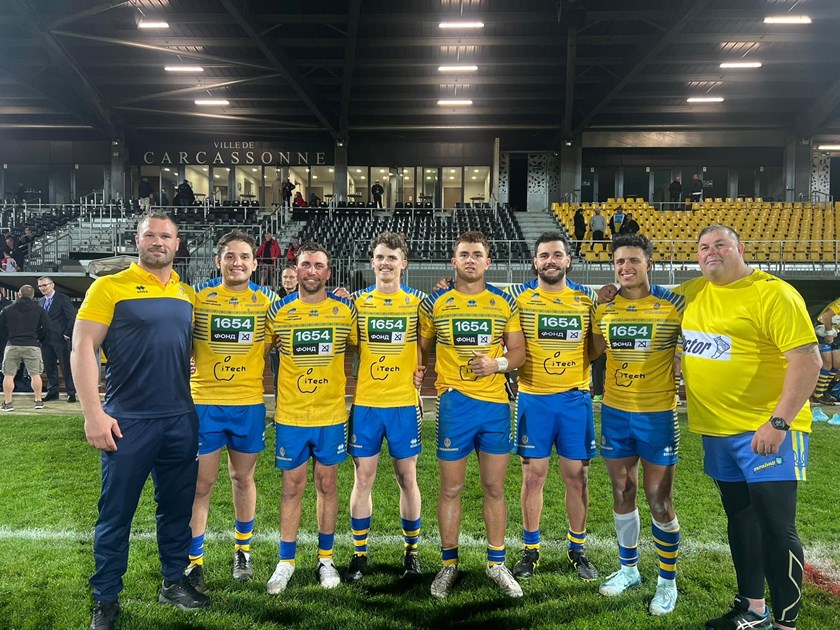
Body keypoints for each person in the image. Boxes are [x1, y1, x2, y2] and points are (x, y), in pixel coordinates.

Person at [675, 225, 818, 630]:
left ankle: (786, 624)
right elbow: (646, 298)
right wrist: (611, 293)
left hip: (767, 431)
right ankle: (754, 610)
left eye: (720, 245)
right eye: (703, 247)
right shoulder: (692, 292)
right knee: (741, 519)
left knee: (776, 526)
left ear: (740, 248)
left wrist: (779, 422)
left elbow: (808, 360)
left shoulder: (773, 294)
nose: (711, 252)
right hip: (718, 432)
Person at [72, 212, 209, 630]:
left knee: (177, 510)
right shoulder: (108, 287)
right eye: (150, 235)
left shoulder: (187, 293)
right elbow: (82, 347)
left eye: (166, 236)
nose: (158, 242)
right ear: (137, 240)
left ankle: (173, 581)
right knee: (116, 514)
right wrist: (93, 414)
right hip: (128, 421)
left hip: (180, 419)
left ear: (177, 244)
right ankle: (105, 598)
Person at [415, 230, 526, 599]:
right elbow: (421, 348)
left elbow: (519, 353)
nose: (471, 260)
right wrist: (417, 376)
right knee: (451, 488)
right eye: (464, 254)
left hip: (494, 407)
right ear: (454, 261)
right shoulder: (436, 303)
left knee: (494, 487)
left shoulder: (504, 302)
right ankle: (449, 565)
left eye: (477, 254)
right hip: (455, 406)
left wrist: (497, 364)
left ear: (488, 262)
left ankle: (496, 564)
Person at [592, 234, 684, 616]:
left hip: (657, 416)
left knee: (659, 501)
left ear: (649, 263)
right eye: (619, 262)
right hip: (615, 413)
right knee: (622, 491)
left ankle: (667, 582)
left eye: (633, 260)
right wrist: (595, 303)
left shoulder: (675, 305)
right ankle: (628, 569)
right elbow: (591, 351)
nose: (626, 267)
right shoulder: (605, 307)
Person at [184, 230, 277, 594]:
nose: (237, 263)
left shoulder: (268, 300)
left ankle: (243, 551)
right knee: (201, 485)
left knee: (243, 478)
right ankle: (194, 561)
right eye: (230, 256)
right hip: (205, 402)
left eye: (244, 257)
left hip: (248, 404)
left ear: (255, 264)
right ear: (218, 261)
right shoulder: (198, 297)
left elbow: (298, 320)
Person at [505, 233, 600, 584]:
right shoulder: (518, 297)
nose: (551, 261)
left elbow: (595, 348)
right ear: (535, 262)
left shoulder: (586, 298)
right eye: (544, 255)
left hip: (574, 400)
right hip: (534, 399)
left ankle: (578, 548)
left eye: (557, 255)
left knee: (577, 477)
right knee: (533, 476)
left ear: (568, 260)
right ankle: (531, 550)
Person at [265, 242, 358, 593]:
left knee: (327, 485)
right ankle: (285, 561)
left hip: (330, 415)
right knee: (292, 487)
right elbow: (256, 350)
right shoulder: (279, 311)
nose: (312, 271)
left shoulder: (343, 312)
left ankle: (326, 559)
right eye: (306, 264)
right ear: (296, 270)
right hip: (291, 415)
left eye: (319, 265)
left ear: (328, 272)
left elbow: (367, 345)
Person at [344, 232, 425, 584]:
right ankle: (359, 554)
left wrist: (420, 373)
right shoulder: (357, 303)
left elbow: (429, 342)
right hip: (366, 405)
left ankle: (412, 553)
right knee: (363, 478)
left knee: (408, 478)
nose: (386, 263)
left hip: (403, 405)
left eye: (392, 257)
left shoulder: (418, 303)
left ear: (403, 263)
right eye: (380, 257)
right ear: (372, 262)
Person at [0, 285, 50, 411]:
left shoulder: (7, 309)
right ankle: (38, 401)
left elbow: (1, 328)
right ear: (33, 295)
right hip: (32, 345)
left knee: (8, 375)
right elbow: (48, 326)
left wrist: (9, 337)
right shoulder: (39, 309)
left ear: (18, 294)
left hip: (12, 345)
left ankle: (8, 403)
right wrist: (38, 337)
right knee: (35, 374)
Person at [37, 276, 77, 403]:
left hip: (61, 339)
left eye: (44, 285)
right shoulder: (40, 301)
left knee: (66, 367)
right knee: (49, 367)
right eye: (40, 286)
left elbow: (72, 317)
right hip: (45, 340)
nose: (42, 288)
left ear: (52, 285)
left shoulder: (63, 299)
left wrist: (67, 334)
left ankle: (71, 392)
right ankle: (52, 392)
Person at [268, 265, 298, 401]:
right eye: (285, 277)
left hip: (297, 347)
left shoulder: (304, 298)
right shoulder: (273, 299)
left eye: (292, 277)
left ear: (298, 280)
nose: (288, 280)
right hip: (277, 348)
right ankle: (278, 407)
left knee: (296, 380)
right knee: (277, 380)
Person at [811, 297, 840, 404]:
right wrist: (829, 333)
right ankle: (818, 394)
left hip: (835, 333)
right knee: (827, 364)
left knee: (837, 364)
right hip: (822, 331)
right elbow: (826, 316)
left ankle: (824, 390)